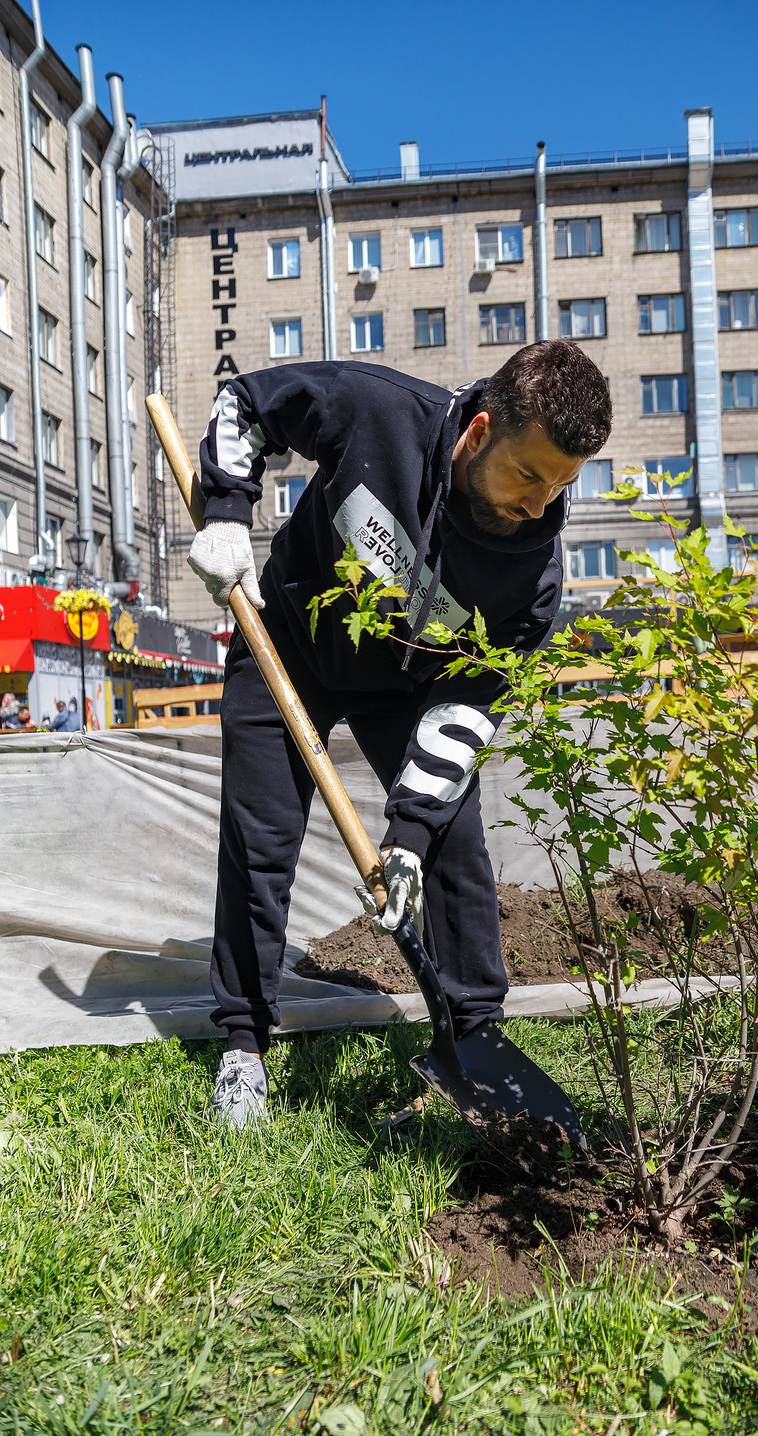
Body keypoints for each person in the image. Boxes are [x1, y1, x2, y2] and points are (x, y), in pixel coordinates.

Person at [187, 340, 612, 1127]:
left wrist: (410, 830)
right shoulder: (374, 408)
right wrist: (225, 513)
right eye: (529, 475)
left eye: (561, 485)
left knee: (452, 841)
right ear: (479, 432)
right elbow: (243, 402)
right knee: (260, 837)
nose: (540, 503)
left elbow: (466, 713)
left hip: (413, 682)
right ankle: (243, 1046)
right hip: (287, 638)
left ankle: (474, 1032)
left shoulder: (531, 575)